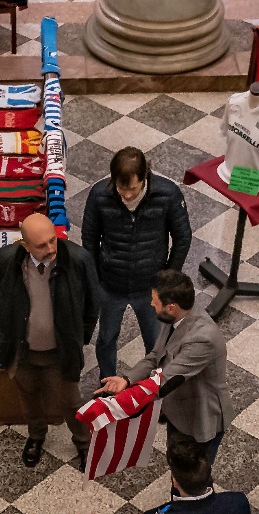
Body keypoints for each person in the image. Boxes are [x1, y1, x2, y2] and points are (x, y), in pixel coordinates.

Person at [0, 213, 100, 468]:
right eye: (41, 245)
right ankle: (36, 436)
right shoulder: (6, 260)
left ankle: (83, 443)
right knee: (29, 397)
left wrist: (80, 338)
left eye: (52, 240)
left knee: (71, 403)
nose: (50, 249)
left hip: (61, 353)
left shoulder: (78, 259)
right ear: (24, 245)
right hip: (22, 351)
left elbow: (93, 303)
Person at [97, 270, 233, 462]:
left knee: (194, 473)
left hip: (200, 417)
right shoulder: (175, 317)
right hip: (178, 408)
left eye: (155, 301)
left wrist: (121, 402)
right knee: (175, 463)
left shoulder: (202, 339)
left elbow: (165, 380)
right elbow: (156, 356)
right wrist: (127, 379)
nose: (151, 304)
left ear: (171, 307)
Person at [81, 147, 192, 380]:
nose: (127, 195)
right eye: (121, 188)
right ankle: (106, 383)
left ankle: (152, 385)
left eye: (132, 189)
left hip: (150, 285)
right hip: (110, 283)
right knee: (106, 338)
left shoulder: (168, 194)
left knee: (155, 342)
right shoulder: (99, 195)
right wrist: (95, 277)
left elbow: (182, 237)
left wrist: (168, 278)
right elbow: (89, 239)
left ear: (145, 177)